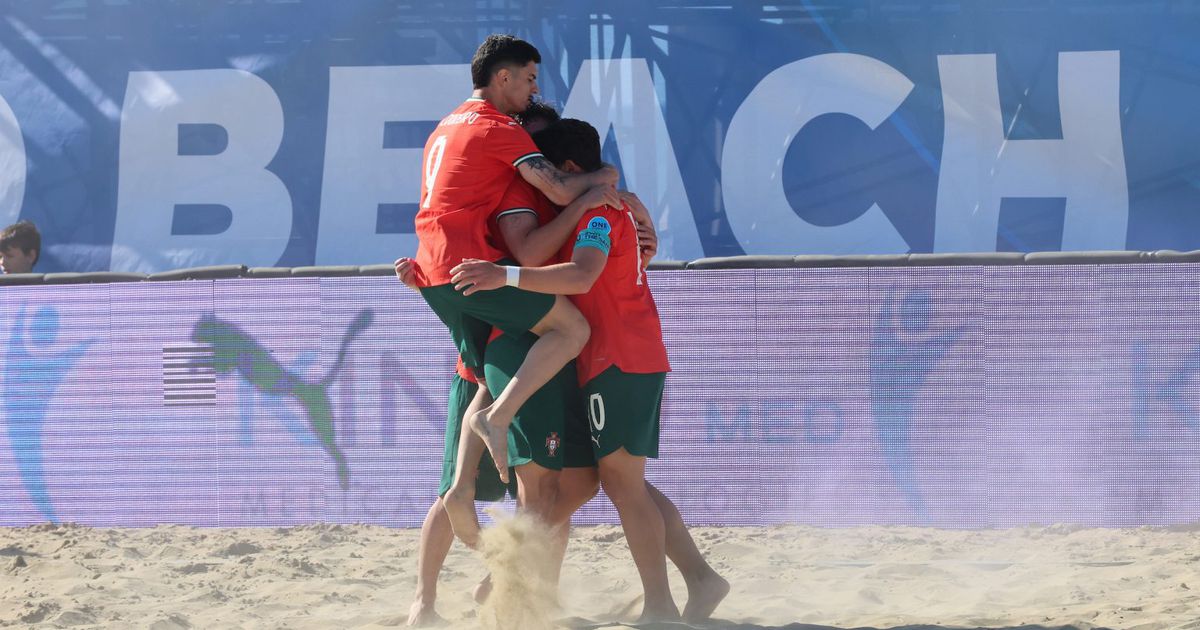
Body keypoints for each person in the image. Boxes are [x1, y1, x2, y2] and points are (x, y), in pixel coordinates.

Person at [449, 118, 726, 622]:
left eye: (551, 176)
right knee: (621, 481)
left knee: (625, 485)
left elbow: (581, 276)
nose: (547, 186)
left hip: (620, 358)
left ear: (571, 170)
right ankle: (701, 580)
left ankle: (664, 604)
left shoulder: (601, 214)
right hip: (614, 357)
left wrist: (502, 275)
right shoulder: (602, 208)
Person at [410, 34, 619, 542]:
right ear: (502, 77)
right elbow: (559, 187)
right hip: (469, 269)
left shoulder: (445, 125)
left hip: (433, 269)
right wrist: (607, 178)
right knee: (571, 328)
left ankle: (460, 487)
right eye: (528, 78)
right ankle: (496, 424)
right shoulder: (498, 127)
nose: (533, 90)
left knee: (487, 372)